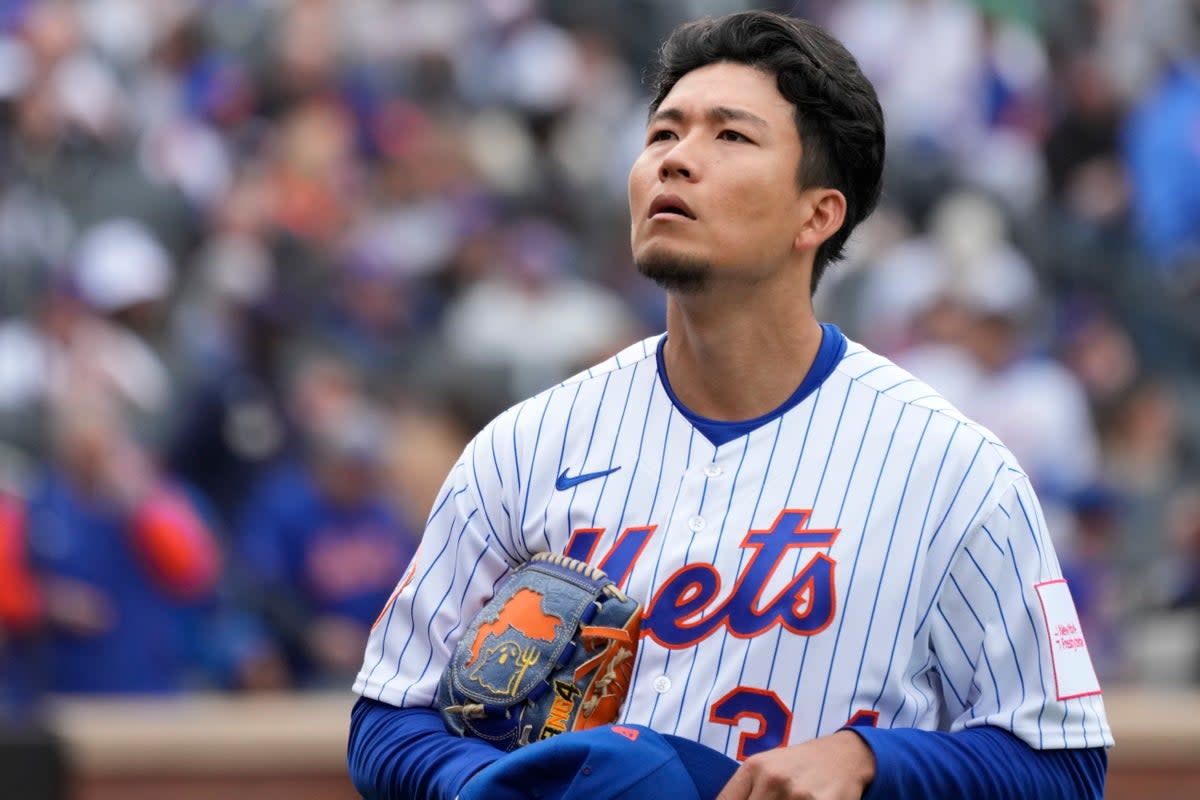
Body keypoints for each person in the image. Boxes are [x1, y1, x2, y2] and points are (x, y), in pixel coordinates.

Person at [347, 10, 1112, 799]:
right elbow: (387, 711)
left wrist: (869, 762)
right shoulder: (525, 445)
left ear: (818, 214)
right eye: (662, 135)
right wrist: (500, 788)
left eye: (729, 137)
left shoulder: (952, 470)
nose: (677, 159)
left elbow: (1063, 758)